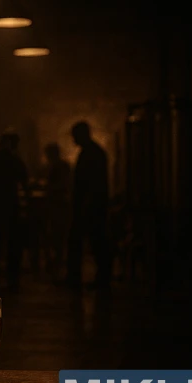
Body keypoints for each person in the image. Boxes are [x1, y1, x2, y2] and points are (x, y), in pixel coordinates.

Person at [0, 132, 29, 293]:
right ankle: (12, 279)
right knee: (13, 243)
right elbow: (24, 180)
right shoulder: (14, 159)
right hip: (9, 204)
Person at [67, 121, 110, 289]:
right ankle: (100, 277)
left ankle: (79, 278)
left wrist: (84, 204)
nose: (73, 139)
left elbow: (89, 183)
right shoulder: (94, 152)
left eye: (75, 136)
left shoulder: (90, 154)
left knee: (93, 241)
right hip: (91, 205)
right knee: (96, 241)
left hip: (90, 206)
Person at [43, 143, 71, 279]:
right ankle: (57, 262)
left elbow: (64, 184)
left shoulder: (58, 167)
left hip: (59, 205)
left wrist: (50, 189)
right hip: (58, 205)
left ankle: (58, 263)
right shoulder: (59, 166)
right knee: (57, 235)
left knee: (58, 234)